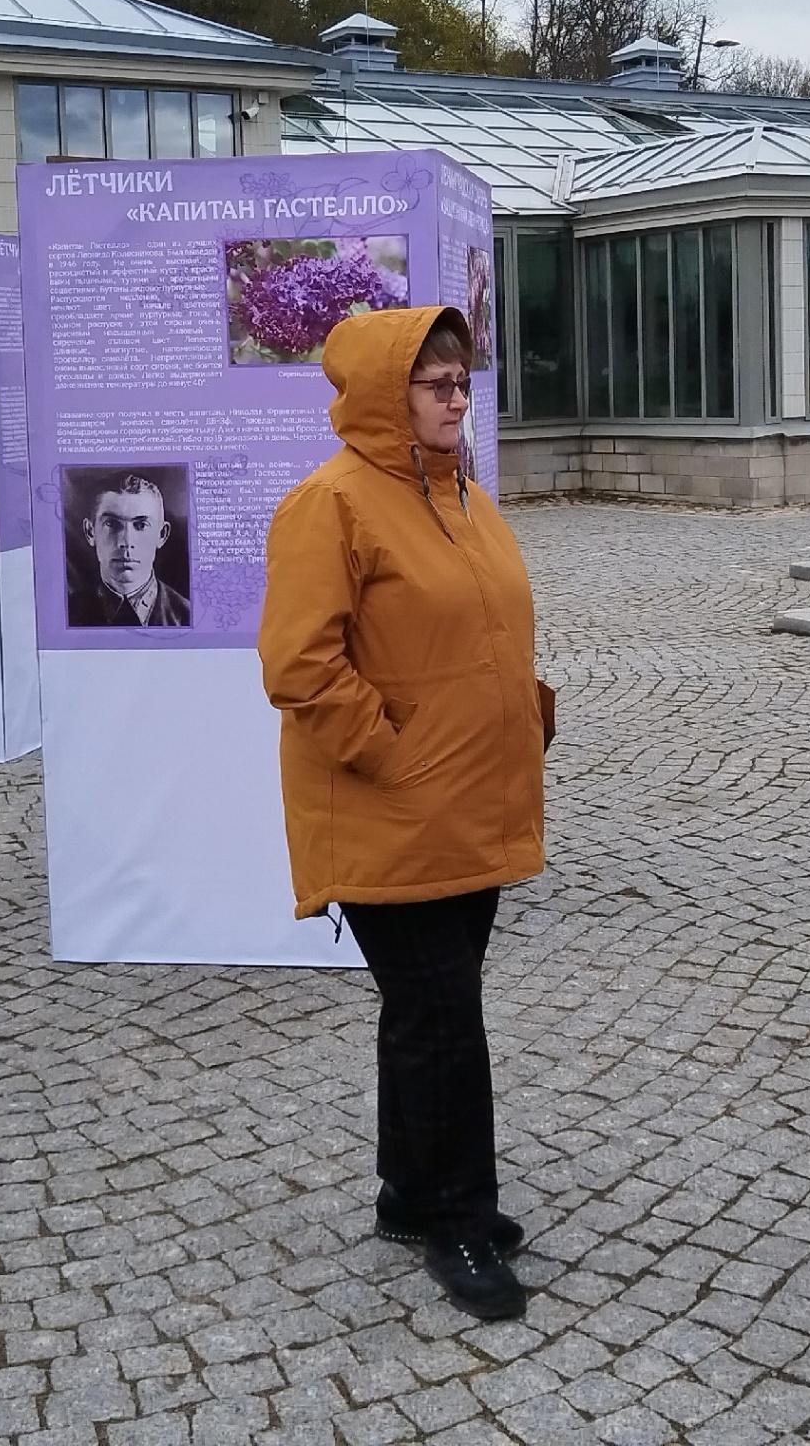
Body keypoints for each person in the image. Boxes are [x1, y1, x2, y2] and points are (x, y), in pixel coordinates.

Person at [258, 307, 555, 1322]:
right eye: (432, 382)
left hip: (466, 803)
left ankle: (405, 1192)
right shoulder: (329, 503)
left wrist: (524, 715)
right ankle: (459, 1218)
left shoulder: (461, 494)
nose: (454, 395)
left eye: (462, 378)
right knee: (443, 1016)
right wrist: (398, 754)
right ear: (386, 393)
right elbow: (299, 666)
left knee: (427, 1009)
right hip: (391, 809)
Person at [68, 471, 192, 626]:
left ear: (161, 535)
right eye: (112, 524)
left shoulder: (188, 617)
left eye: (141, 525)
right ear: (90, 532)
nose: (126, 541)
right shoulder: (66, 615)